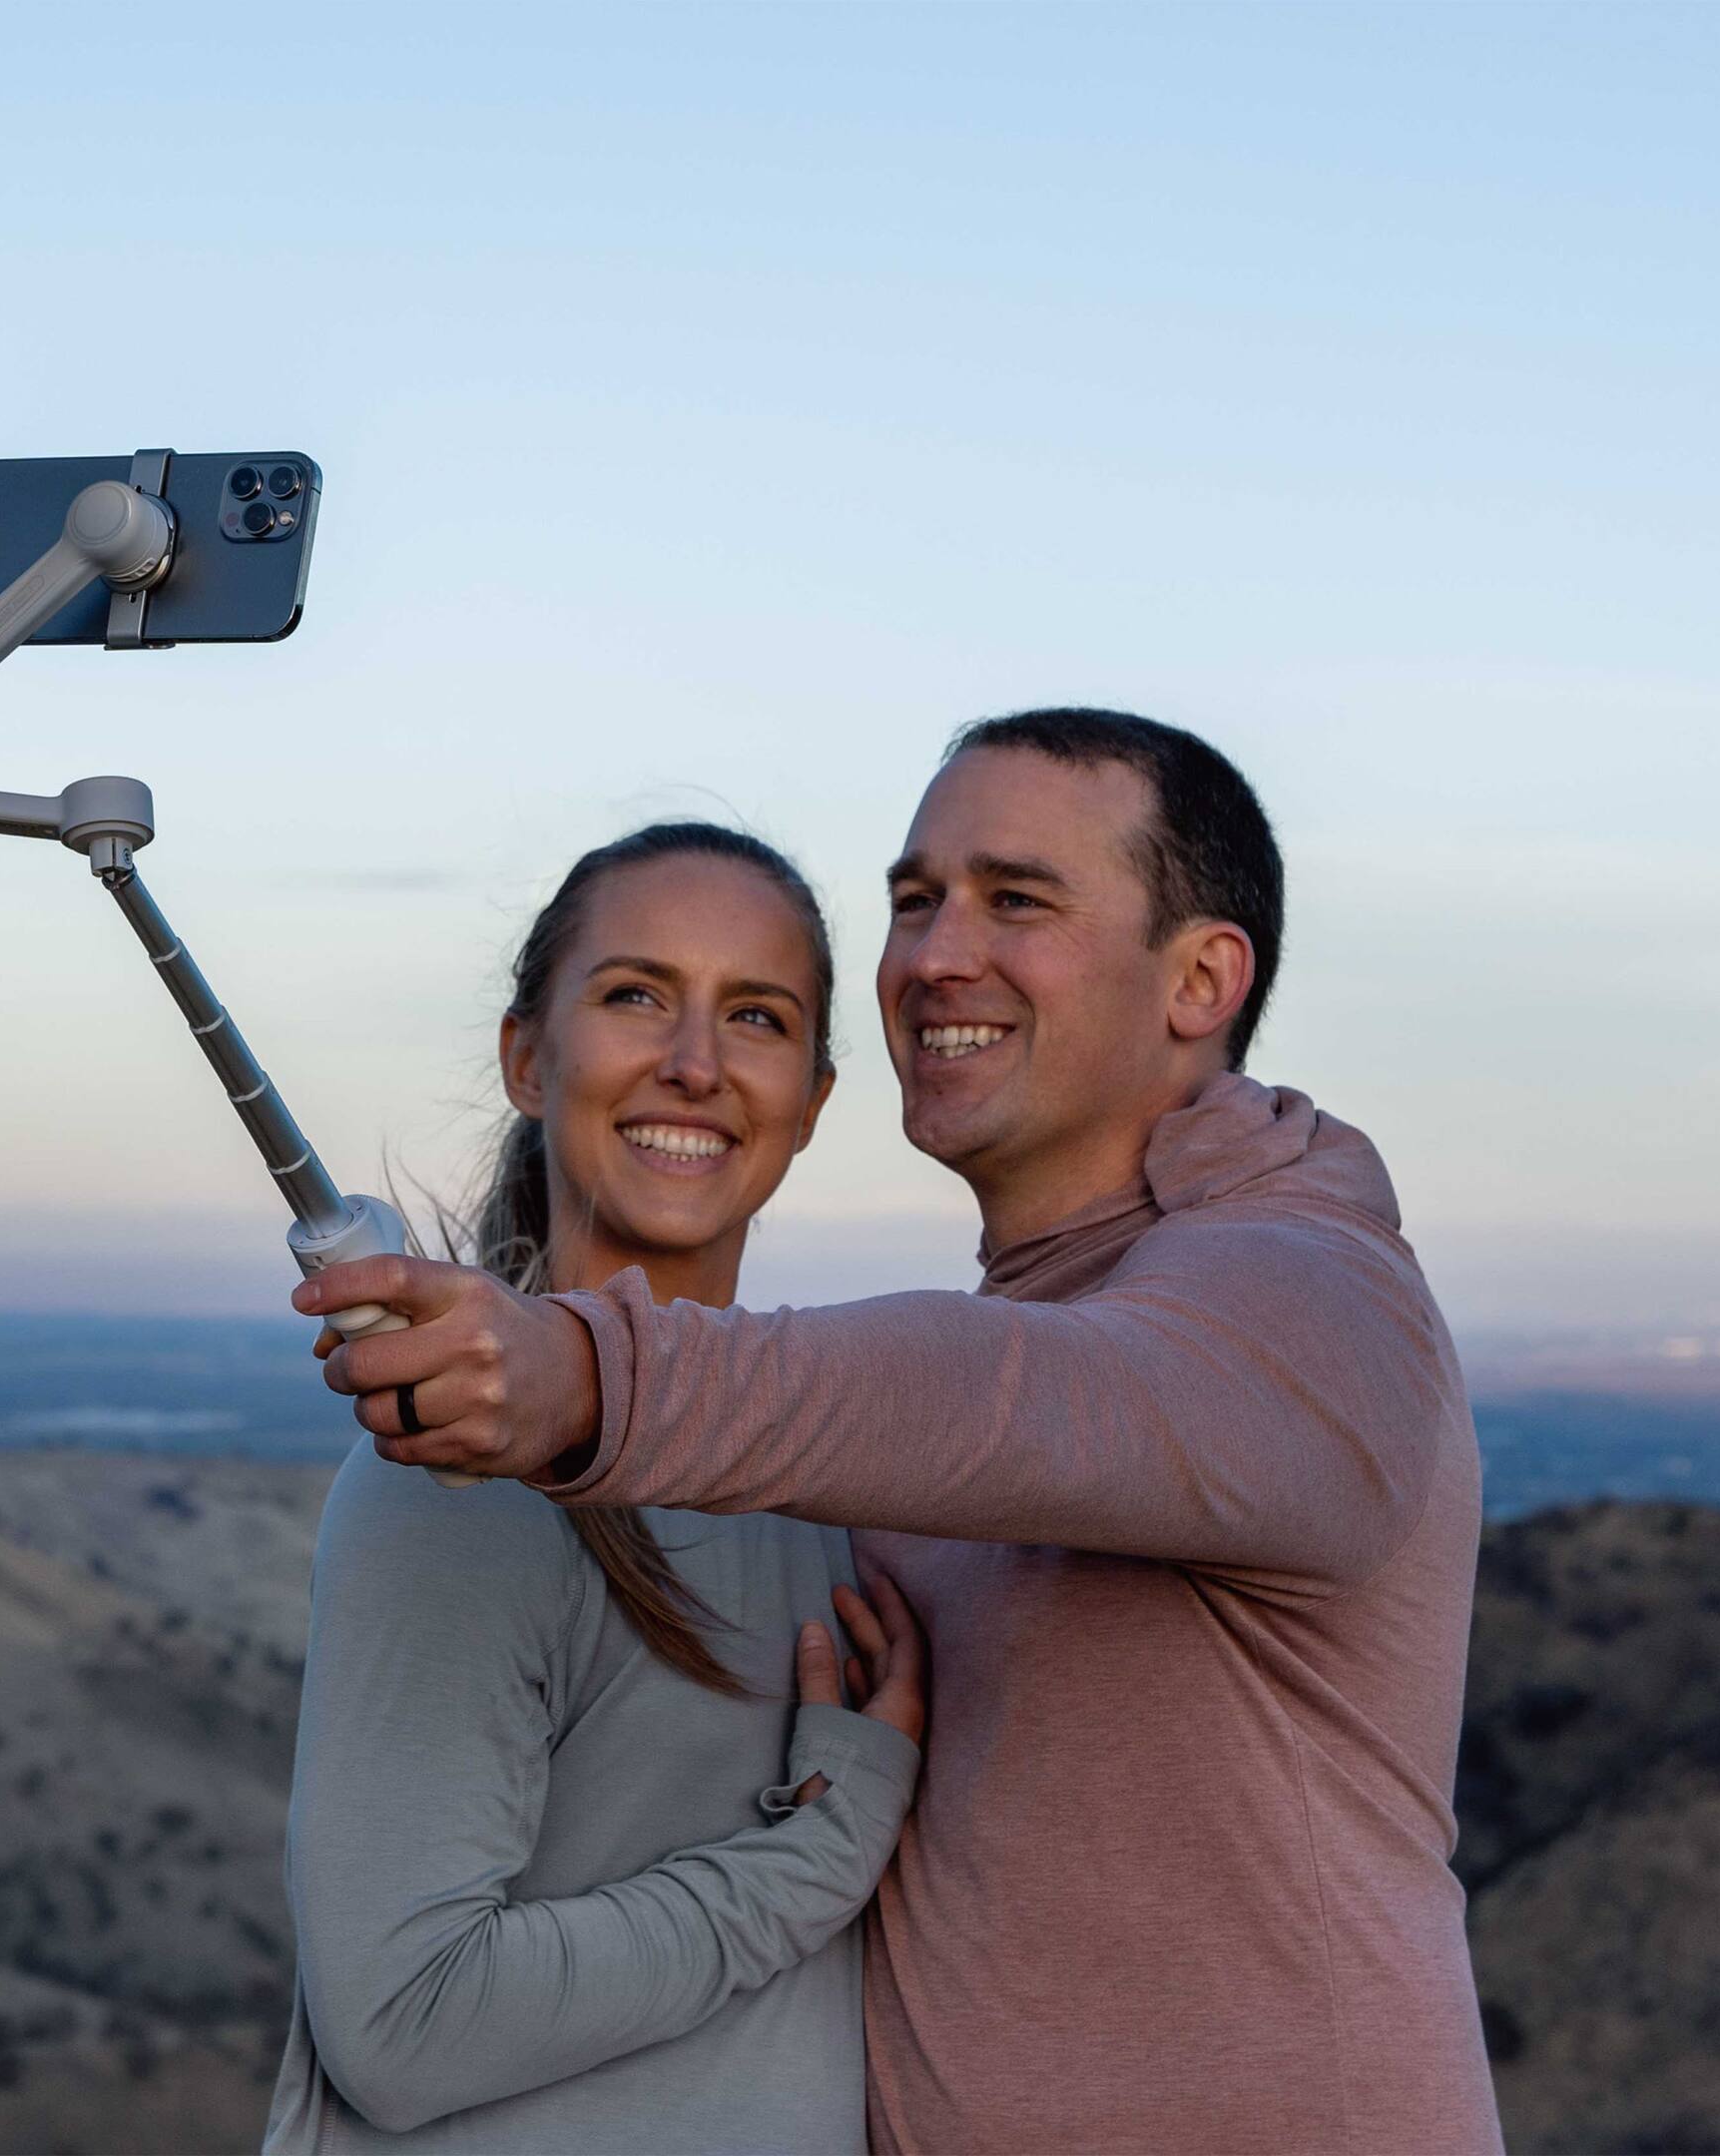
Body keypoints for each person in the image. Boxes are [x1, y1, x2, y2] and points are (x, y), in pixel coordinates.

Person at [294, 712, 1502, 2153]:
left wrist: (585, 1372)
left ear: (1199, 980)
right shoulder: (886, 1459)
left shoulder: (1311, 1294)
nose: (934, 957)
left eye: (1018, 900)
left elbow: (1041, 1401)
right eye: (916, 900)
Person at [267, 822, 929, 2155]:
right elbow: (402, 2022)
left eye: (756, 1016)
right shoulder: (458, 1487)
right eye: (636, 995)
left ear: (811, 1099)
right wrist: (821, 1851)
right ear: (529, 1057)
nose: (695, 1063)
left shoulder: (823, 1473)